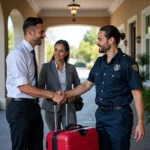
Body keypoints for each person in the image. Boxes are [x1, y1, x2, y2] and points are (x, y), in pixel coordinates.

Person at [64, 25, 145, 150]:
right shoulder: (99, 62)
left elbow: (137, 93)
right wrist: (65, 94)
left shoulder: (127, 63)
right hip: (101, 115)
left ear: (111, 40)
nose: (97, 42)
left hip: (119, 117)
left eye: (100, 39)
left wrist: (140, 122)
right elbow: (86, 85)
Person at [6, 17, 65, 150]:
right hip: (19, 108)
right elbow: (24, 87)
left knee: (37, 147)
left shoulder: (29, 53)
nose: (44, 35)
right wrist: (52, 95)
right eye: (41, 32)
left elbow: (32, 85)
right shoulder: (18, 54)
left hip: (32, 106)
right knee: (20, 147)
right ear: (30, 32)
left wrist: (55, 93)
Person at [38, 39, 80, 131]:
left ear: (66, 53)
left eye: (61, 51)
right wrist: (52, 95)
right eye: (56, 50)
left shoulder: (71, 68)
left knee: (71, 134)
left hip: (68, 106)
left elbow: (79, 87)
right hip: (51, 107)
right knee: (55, 137)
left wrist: (72, 97)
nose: (57, 53)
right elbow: (40, 88)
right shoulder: (46, 67)